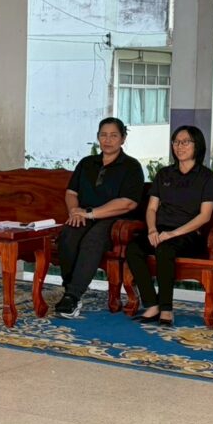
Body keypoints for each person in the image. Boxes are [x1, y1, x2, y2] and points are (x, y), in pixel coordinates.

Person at [123, 126, 213, 327]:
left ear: (197, 145)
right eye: (176, 142)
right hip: (160, 230)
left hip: (188, 234)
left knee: (164, 249)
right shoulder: (164, 174)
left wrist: (172, 233)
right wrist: (152, 230)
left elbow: (205, 216)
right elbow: (151, 208)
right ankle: (152, 304)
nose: (179, 146)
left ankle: (166, 309)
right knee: (133, 248)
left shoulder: (206, 177)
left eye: (185, 142)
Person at [55, 117, 144, 319]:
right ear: (97, 137)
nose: (108, 140)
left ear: (123, 138)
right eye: (103, 135)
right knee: (68, 234)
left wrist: (91, 213)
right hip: (84, 214)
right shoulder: (87, 163)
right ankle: (70, 290)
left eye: (114, 135)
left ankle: (72, 296)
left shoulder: (131, 166)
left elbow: (128, 203)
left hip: (115, 220)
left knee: (93, 240)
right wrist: (74, 211)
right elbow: (71, 192)